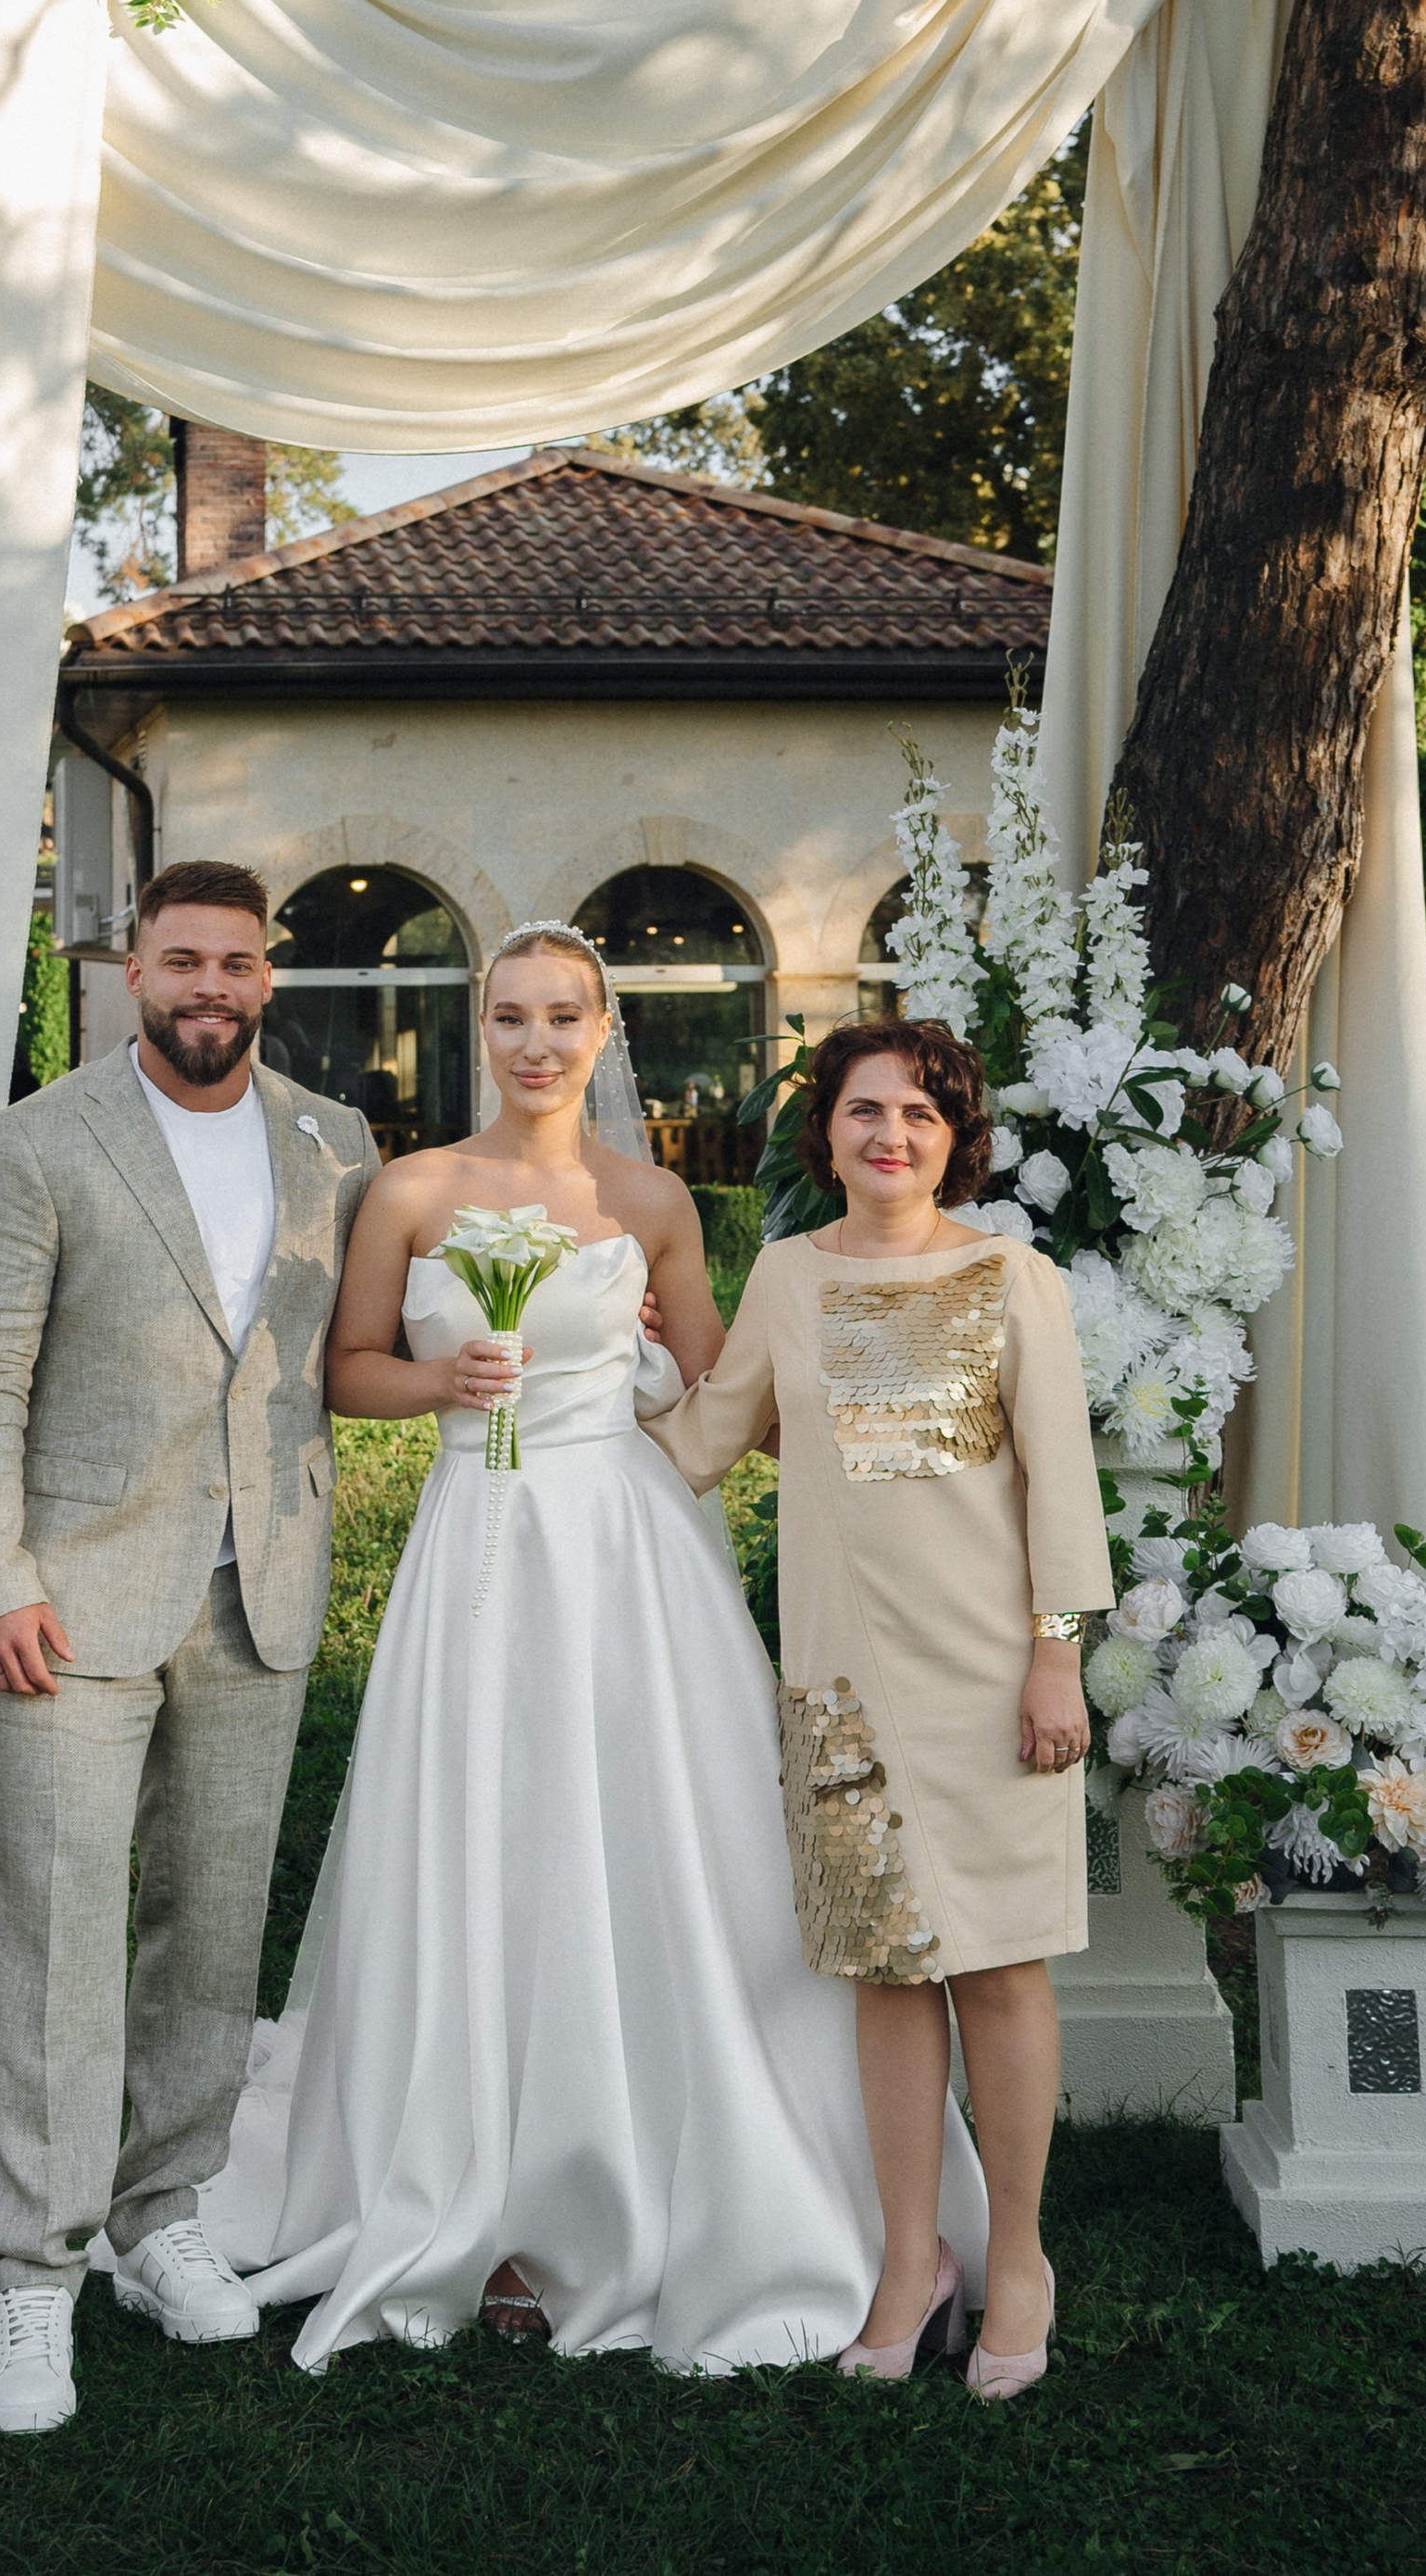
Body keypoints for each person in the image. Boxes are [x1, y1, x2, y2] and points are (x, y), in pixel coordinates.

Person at [202, 924, 987, 2371]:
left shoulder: (656, 1199)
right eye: (511, 1018)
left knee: (660, 1841)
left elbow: (715, 1390)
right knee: (488, 1839)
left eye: (566, 1017)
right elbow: (348, 1372)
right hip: (477, 1546)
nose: (538, 1044)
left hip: (629, 1550)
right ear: (479, 1029)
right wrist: (446, 1377)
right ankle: (481, 2187)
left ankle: (712, 2174)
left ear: (606, 1029)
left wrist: (653, 1354)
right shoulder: (414, 1187)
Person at [0, 858, 377, 2435]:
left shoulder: (338, 1143)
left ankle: (164, 2214)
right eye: (182, 962)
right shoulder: (39, 1140)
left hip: (255, 1585)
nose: (212, 989)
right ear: (136, 974)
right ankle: (35, 2273)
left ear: (271, 976)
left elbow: (357, 1356)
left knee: (214, 1921)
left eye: (238, 964)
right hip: (70, 1595)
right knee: (56, 1929)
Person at [644, 1017, 1113, 2405]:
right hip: (841, 1688)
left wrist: (1058, 1657)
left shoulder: (1012, 1278)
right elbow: (702, 1439)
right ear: (826, 1132)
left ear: (954, 1137)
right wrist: (597, 1368)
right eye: (864, 1111)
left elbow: (1066, 1488)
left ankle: (1018, 2260)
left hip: (993, 1681)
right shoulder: (787, 1277)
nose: (889, 1134)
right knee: (885, 1972)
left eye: (917, 1113)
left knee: (1001, 1969)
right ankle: (911, 2263)